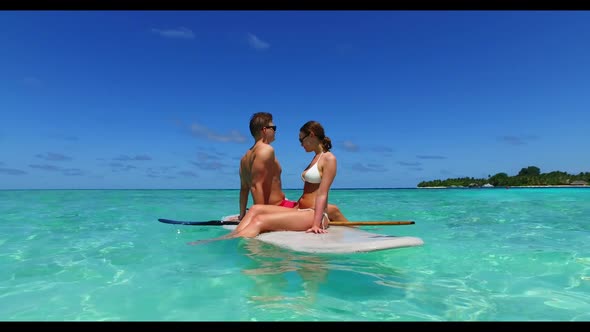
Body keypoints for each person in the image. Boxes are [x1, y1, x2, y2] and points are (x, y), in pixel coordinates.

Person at [191, 120, 341, 243]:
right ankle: (231, 236)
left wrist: (316, 224)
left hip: (314, 214)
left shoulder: (329, 159)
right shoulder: (315, 158)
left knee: (260, 221)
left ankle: (225, 241)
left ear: (312, 136)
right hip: (300, 209)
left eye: (301, 140)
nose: (301, 144)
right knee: (256, 209)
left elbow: (322, 194)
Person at [234, 112, 347, 222]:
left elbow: (244, 189)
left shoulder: (244, 158)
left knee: (331, 209)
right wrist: (260, 214)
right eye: (274, 128)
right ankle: (360, 235)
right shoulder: (266, 150)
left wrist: (242, 214)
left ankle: (358, 233)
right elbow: (256, 186)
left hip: (281, 204)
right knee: (333, 210)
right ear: (264, 130)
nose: (275, 131)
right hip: (277, 207)